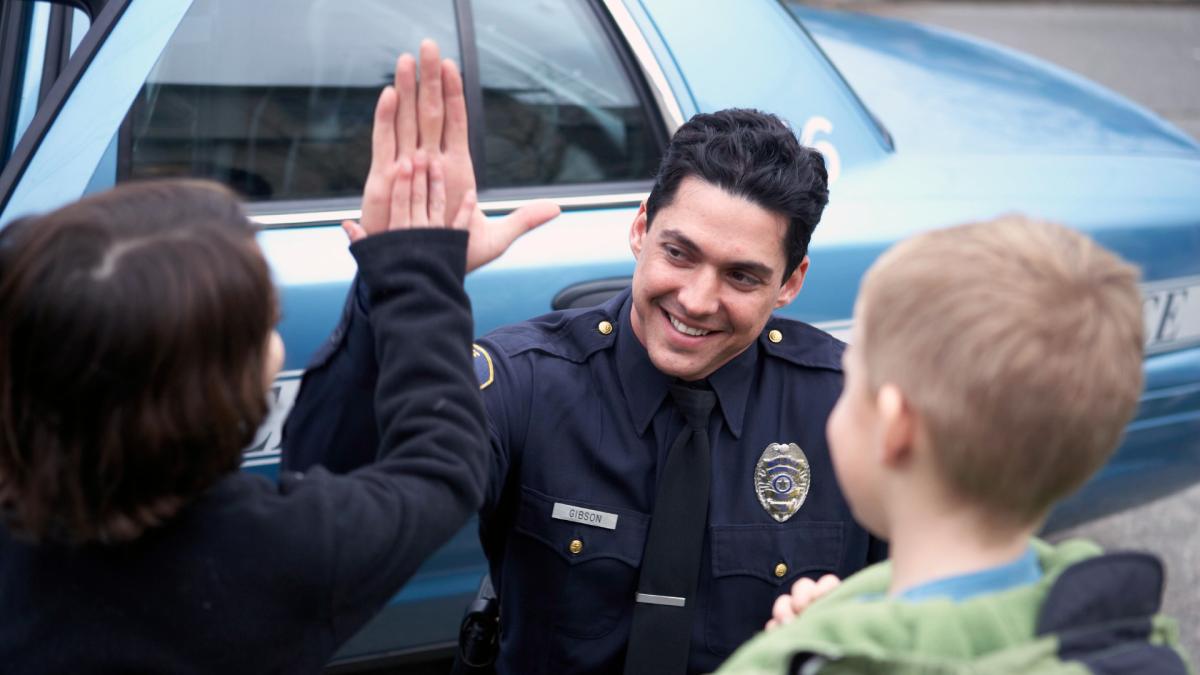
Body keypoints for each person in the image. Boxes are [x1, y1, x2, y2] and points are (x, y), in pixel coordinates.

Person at [284, 40, 885, 675]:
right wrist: (397, 286)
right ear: (639, 230)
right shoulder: (526, 381)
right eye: (678, 254)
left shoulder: (847, 408)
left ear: (790, 283)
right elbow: (330, 497)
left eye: (741, 277)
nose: (697, 299)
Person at [0, 47, 555, 672]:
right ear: (212, 396)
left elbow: (336, 472)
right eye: (268, 324)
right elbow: (441, 468)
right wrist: (422, 270)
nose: (279, 337)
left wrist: (394, 279)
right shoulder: (269, 558)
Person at [715, 216, 1194, 674]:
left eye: (852, 379)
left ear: (894, 426)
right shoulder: (1127, 634)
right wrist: (841, 618)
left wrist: (806, 649)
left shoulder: (788, 662)